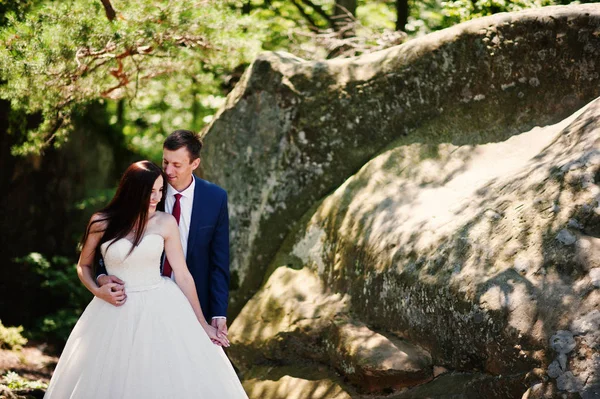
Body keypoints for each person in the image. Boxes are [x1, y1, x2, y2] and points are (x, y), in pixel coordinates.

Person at [44, 161, 248, 398]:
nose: (156, 197)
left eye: (160, 191)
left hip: (161, 306)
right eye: (150, 191)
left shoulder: (165, 222)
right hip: (112, 310)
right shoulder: (101, 222)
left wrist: (203, 324)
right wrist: (98, 290)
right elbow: (84, 265)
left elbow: (182, 274)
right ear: (132, 190)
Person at [96, 130, 231, 343]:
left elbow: (219, 261)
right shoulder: (147, 190)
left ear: (194, 164)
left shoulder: (215, 198)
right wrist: (102, 276)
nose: (168, 170)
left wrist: (218, 312)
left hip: (194, 299)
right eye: (165, 161)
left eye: (177, 165)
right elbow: (111, 238)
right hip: (138, 301)